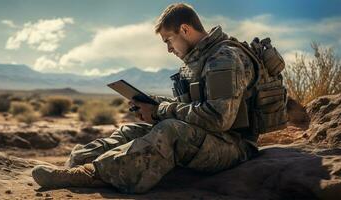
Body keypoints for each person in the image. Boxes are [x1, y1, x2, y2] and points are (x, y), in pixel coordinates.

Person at [31, 3, 261, 193]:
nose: (169, 49)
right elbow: (190, 108)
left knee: (169, 130)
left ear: (184, 29)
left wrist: (161, 111)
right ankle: (79, 161)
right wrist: (153, 104)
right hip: (207, 139)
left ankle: (90, 174)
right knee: (129, 131)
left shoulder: (223, 58)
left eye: (168, 40)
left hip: (234, 146)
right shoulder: (196, 61)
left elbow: (219, 118)